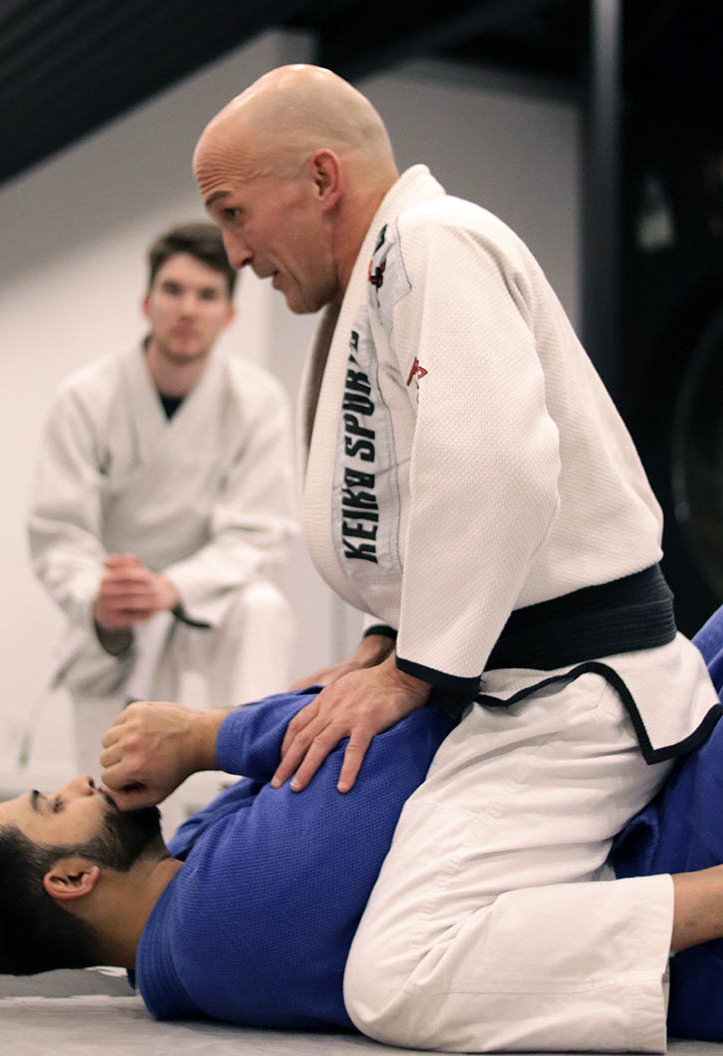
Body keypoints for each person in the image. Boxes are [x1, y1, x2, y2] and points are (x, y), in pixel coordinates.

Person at [188, 64, 723, 1051]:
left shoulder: (433, 245)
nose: (234, 251)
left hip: (572, 689)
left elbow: (496, 461)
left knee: (398, 976)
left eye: (233, 211)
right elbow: (418, 490)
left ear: (319, 178)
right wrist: (391, 632)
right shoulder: (387, 275)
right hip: (522, 686)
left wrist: (418, 666)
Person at [0, 607, 723, 1038]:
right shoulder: (220, 921)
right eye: (54, 807)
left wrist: (354, 673)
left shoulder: (192, 875)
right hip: (675, 859)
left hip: (640, 804)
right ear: (70, 879)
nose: (76, 783)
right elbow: (396, 743)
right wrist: (212, 736)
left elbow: (334, 719)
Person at [27, 222, 299, 803]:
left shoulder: (257, 403)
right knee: (111, 804)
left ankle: (246, 803)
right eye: (173, 290)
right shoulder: (87, 398)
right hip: (115, 612)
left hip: (201, 602)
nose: (187, 309)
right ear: (147, 303)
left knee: (262, 607)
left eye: (207, 295)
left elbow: (258, 532)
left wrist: (173, 587)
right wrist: (97, 595)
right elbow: (59, 533)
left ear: (228, 314)